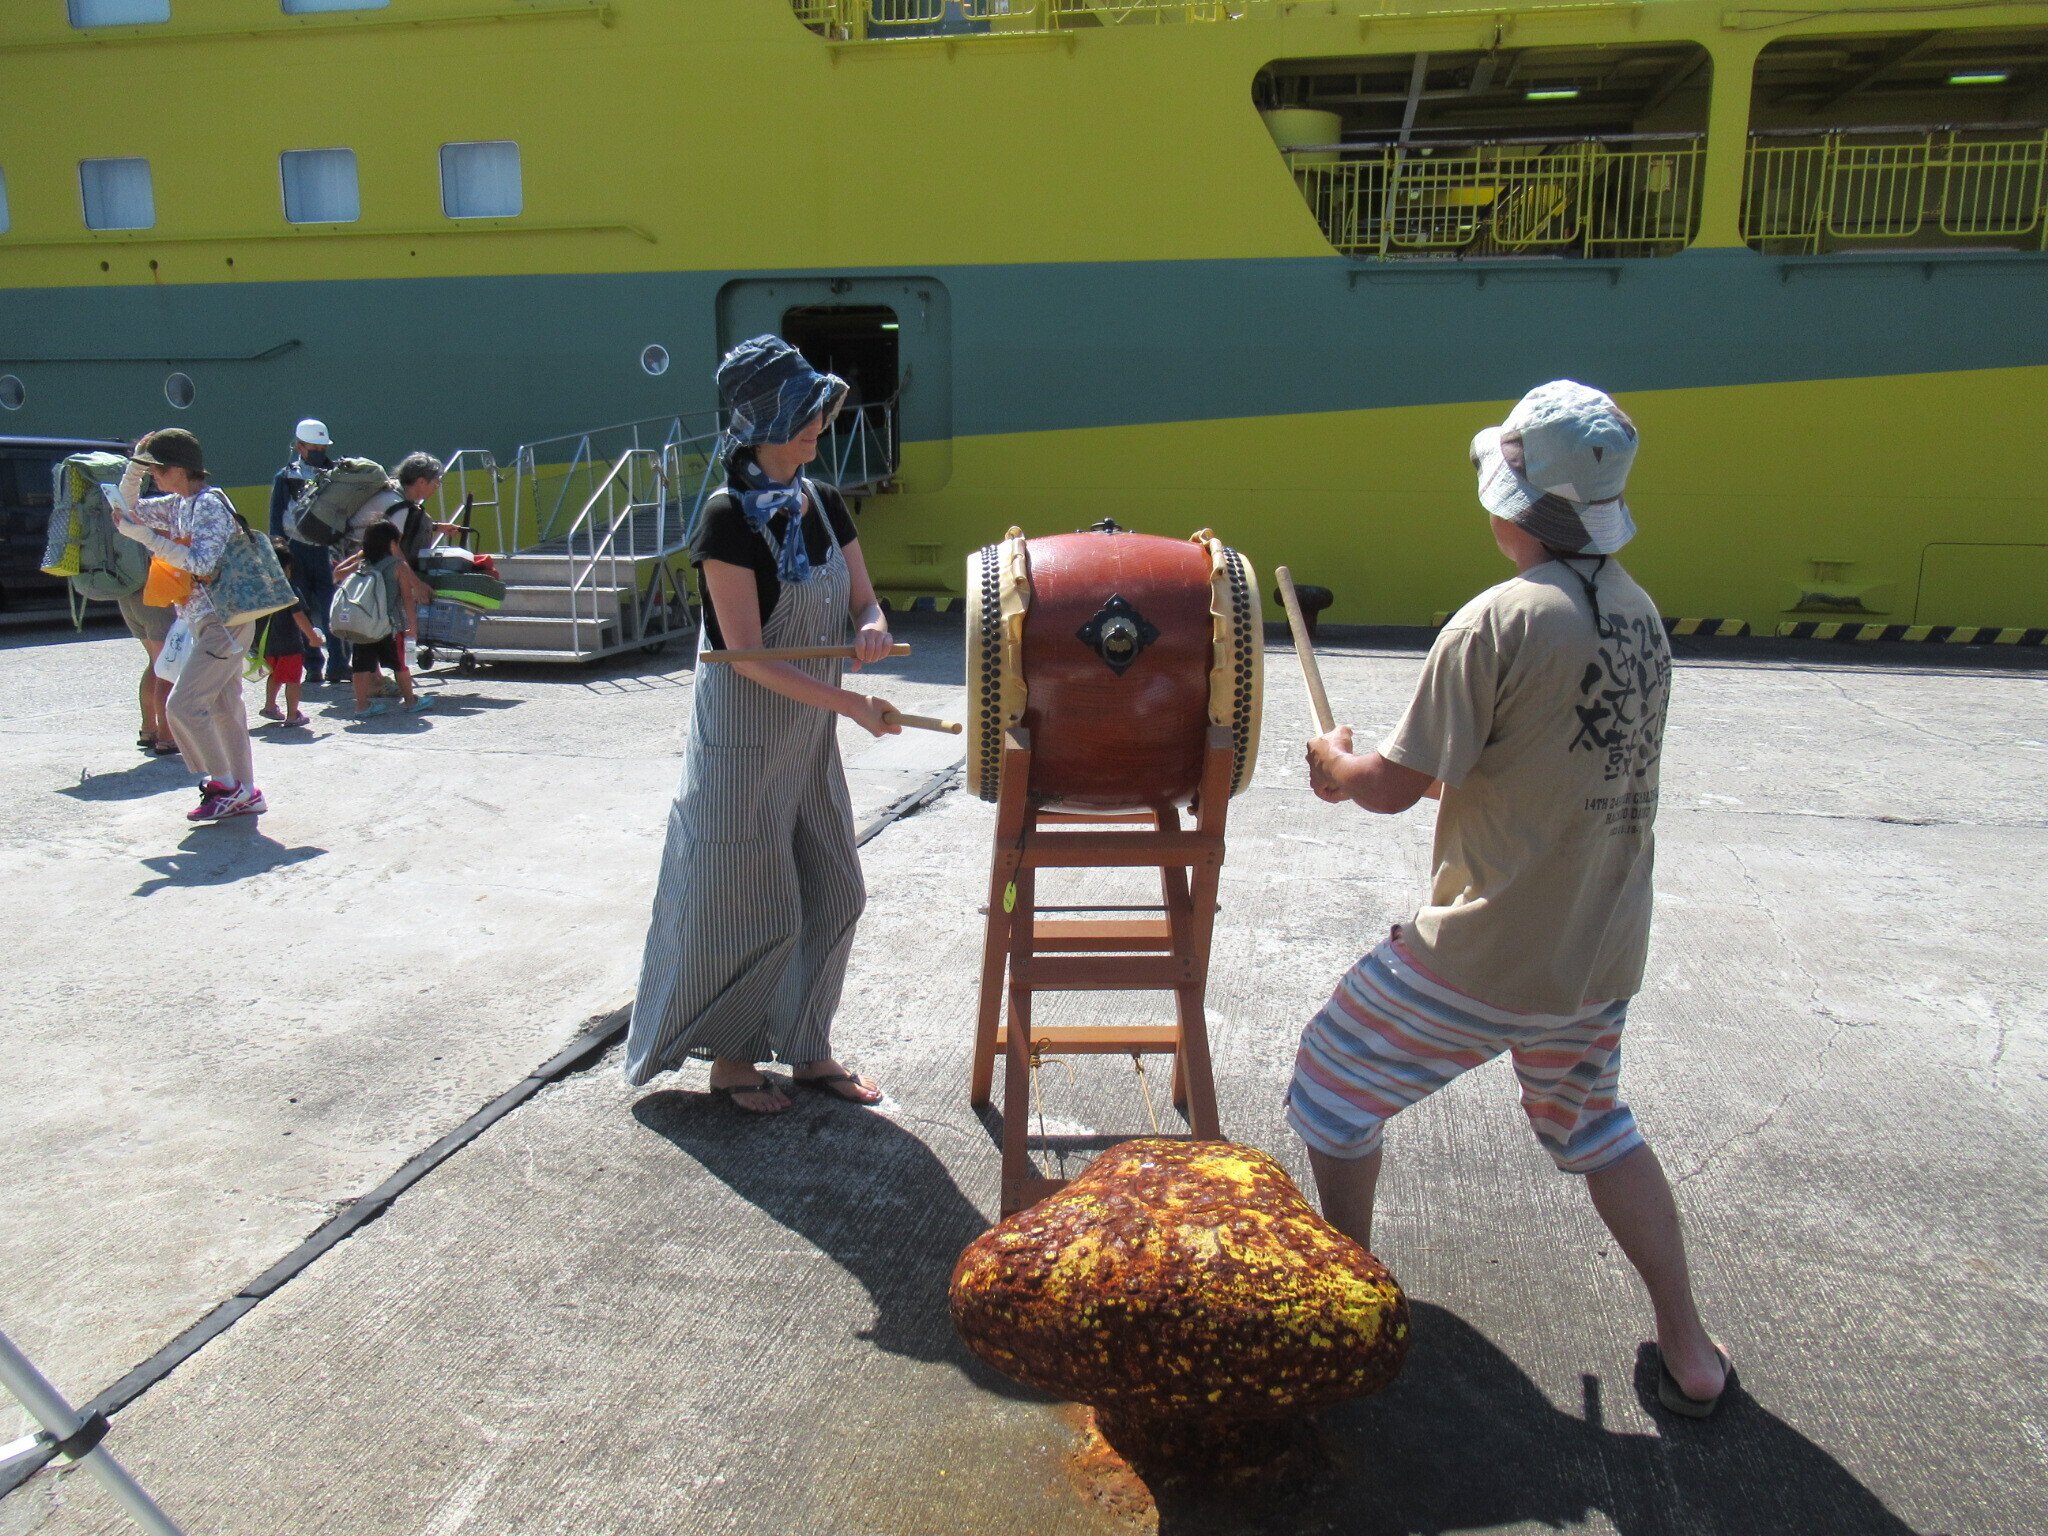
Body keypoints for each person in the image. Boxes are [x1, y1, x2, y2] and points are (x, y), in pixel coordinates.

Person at [1285, 381, 1731, 1417]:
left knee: (1331, 1086)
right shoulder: (1638, 618)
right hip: (1597, 952)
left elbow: (1389, 788)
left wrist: (1334, 763)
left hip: (1484, 953)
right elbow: (1534, 768)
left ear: (1510, 504)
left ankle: (1352, 1302)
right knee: (1596, 1125)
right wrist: (1388, 771)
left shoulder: (1495, 619)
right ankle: (1690, 1347)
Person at [624, 335, 901, 1113]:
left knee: (837, 892)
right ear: (763, 422)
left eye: (818, 410)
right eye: (804, 412)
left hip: (806, 742)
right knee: (752, 907)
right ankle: (734, 1060)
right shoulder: (726, 520)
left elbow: (864, 599)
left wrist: (872, 627)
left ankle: (809, 1049)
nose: (820, 424)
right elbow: (744, 656)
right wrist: (852, 705)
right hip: (743, 747)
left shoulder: (824, 501)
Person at [112, 429, 266, 822]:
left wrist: (147, 538)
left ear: (180, 469)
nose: (153, 477)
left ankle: (225, 786)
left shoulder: (208, 505)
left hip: (224, 621)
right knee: (226, 708)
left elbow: (201, 563)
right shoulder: (181, 503)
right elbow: (126, 508)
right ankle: (246, 791)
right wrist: (135, 465)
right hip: (208, 620)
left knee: (182, 706)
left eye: (157, 470)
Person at [334, 521, 435, 718]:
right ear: (392, 543)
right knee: (400, 665)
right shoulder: (398, 566)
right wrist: (412, 626)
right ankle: (411, 701)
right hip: (390, 626)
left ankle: (362, 706)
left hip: (365, 624)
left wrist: (358, 556)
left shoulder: (362, 564)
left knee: (361, 667)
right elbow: (407, 598)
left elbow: (337, 574)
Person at [271, 418, 345, 683]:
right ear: (300, 446)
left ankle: (338, 664)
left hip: (327, 551)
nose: (320, 452)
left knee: (332, 609)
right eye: (315, 448)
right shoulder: (285, 477)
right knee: (300, 610)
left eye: (323, 448)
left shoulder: (338, 475)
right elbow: (276, 517)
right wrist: (279, 554)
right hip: (296, 550)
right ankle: (313, 665)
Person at [255, 536, 323, 728]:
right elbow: (299, 615)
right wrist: (313, 637)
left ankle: (270, 706)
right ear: (287, 568)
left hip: (269, 644)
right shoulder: (290, 590)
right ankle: (293, 714)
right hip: (290, 644)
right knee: (293, 680)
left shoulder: (263, 590)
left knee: (274, 676)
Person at [114, 586, 178, 754]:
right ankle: (166, 736)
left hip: (128, 594)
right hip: (156, 595)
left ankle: (149, 729)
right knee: (167, 670)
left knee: (156, 664)